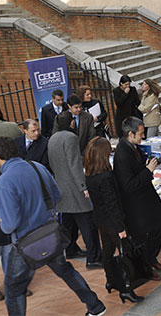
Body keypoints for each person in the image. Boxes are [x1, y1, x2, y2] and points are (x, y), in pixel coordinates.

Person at [0, 136, 106, 316]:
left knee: (13, 290)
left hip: (25, 244)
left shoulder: (4, 182)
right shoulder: (37, 167)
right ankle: (96, 306)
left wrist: (3, 221)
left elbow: (9, 225)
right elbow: (56, 195)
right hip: (50, 235)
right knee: (67, 272)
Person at [84, 137, 144, 304]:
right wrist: (120, 228)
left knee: (108, 252)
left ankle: (110, 280)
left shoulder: (90, 174)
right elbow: (112, 205)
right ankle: (126, 289)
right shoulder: (106, 177)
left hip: (100, 220)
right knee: (125, 255)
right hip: (112, 222)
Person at [113, 117, 161, 279]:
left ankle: (152, 259)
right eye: (140, 133)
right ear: (130, 134)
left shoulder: (133, 147)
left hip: (146, 200)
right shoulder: (122, 154)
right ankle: (146, 267)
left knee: (158, 227)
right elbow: (128, 185)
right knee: (142, 238)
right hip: (136, 206)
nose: (143, 137)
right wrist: (148, 171)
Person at [49, 111, 102, 269]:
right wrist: (83, 186)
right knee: (87, 224)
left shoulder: (52, 138)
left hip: (60, 188)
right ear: (71, 123)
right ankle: (94, 258)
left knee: (68, 223)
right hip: (74, 189)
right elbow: (75, 165)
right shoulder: (71, 138)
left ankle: (71, 249)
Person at [0, 145, 33, 302]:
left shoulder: (1, 174)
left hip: (7, 226)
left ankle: (15, 285)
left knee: (10, 259)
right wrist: (4, 203)